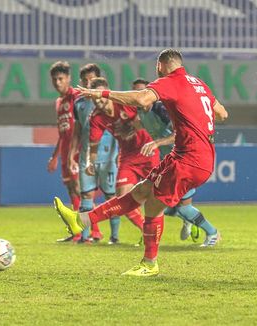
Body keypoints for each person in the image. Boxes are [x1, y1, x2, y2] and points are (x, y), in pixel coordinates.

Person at [54, 49, 228, 276]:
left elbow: (141, 99)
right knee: (141, 191)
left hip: (190, 159)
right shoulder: (198, 83)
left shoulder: (170, 81)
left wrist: (103, 93)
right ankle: (82, 220)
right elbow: (223, 114)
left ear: (161, 65)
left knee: (153, 205)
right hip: (192, 154)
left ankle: (149, 263)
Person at [132, 78, 220, 245]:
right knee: (157, 204)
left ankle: (213, 233)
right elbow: (137, 126)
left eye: (143, 92)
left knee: (183, 207)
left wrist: (157, 142)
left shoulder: (161, 110)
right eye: (137, 92)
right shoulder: (141, 113)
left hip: (184, 160)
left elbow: (178, 134)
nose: (141, 96)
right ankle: (188, 220)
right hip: (168, 162)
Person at [84, 76, 160, 244]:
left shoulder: (124, 102)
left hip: (148, 152)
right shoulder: (96, 117)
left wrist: (131, 127)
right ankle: (147, 233)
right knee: (123, 200)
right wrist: (90, 162)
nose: (100, 104)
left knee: (161, 198)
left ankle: (193, 221)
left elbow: (146, 119)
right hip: (127, 157)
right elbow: (94, 145)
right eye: (96, 101)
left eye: (102, 99)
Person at [69, 63, 120, 244]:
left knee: (110, 197)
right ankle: (85, 237)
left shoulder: (110, 100)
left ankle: (114, 237)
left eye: (90, 79)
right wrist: (71, 155)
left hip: (109, 157)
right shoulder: (80, 104)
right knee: (86, 196)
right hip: (87, 155)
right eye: (84, 80)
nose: (87, 83)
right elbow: (77, 130)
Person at [47, 61, 81, 242]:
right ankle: (78, 232)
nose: (57, 82)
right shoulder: (59, 102)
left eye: (61, 78)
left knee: (79, 189)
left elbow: (80, 125)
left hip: (77, 149)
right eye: (54, 80)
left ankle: (91, 232)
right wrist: (54, 156)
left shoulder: (76, 96)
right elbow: (62, 132)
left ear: (68, 78)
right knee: (71, 189)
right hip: (65, 149)